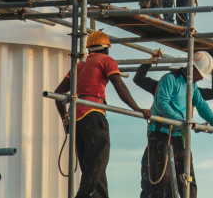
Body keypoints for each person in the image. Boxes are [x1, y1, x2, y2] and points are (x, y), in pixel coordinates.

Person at [54, 31, 151, 198]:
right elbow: (119, 85)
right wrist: (137, 108)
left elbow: (58, 93)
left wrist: (66, 120)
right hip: (93, 113)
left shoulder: (78, 66)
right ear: (106, 49)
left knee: (92, 167)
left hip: (76, 119)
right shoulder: (107, 60)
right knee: (100, 159)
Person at [134, 50, 213, 198]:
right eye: (201, 74)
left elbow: (201, 105)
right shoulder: (168, 80)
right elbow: (162, 103)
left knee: (188, 181)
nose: (201, 78)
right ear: (193, 68)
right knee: (161, 182)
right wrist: (179, 120)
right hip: (162, 135)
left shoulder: (192, 86)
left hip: (179, 136)